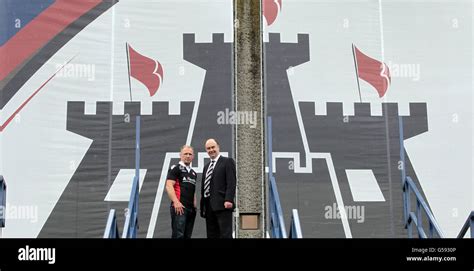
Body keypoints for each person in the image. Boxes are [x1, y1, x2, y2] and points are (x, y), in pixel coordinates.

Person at [200, 138, 236, 238]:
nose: (211, 150)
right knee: (211, 235)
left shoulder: (227, 161)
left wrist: (228, 199)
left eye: (213, 147)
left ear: (218, 147)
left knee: (225, 235)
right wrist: (203, 206)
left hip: (223, 205)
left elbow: (231, 182)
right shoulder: (206, 167)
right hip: (209, 207)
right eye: (208, 148)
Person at [165, 145, 197, 238]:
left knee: (187, 236)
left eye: (190, 154)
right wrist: (176, 202)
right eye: (185, 154)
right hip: (180, 208)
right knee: (178, 235)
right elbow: (169, 185)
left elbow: (192, 189)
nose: (187, 156)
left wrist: (194, 205)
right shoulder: (176, 168)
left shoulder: (193, 173)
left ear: (193, 156)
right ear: (180, 155)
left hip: (190, 209)